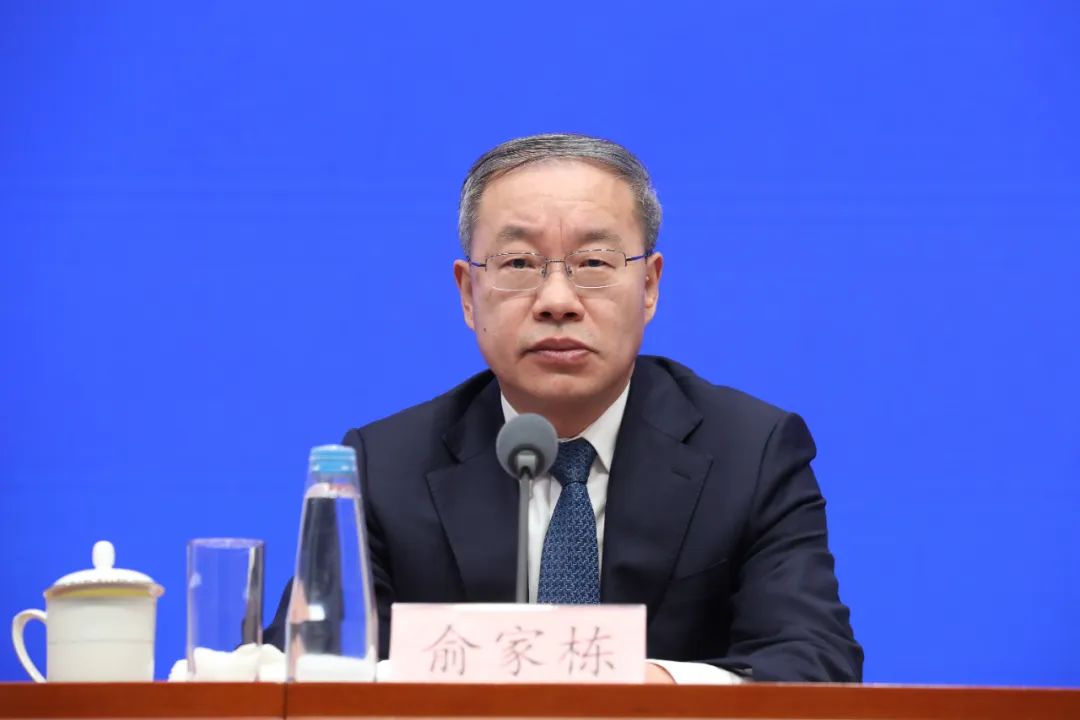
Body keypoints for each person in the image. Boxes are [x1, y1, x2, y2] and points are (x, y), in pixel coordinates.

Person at [266, 133, 862, 683]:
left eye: (594, 263)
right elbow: (307, 669)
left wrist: (644, 692)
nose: (557, 300)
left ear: (649, 286)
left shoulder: (750, 452)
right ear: (468, 293)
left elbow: (815, 663)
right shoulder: (382, 467)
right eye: (519, 264)